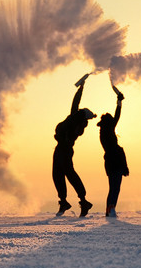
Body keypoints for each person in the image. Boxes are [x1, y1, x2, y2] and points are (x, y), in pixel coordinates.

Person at [53, 73, 96, 216]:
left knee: (69, 174)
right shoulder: (75, 120)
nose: (78, 110)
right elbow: (75, 103)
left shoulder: (75, 123)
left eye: (81, 111)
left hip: (64, 150)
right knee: (58, 174)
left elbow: (75, 105)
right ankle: (65, 201)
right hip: (61, 149)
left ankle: (84, 201)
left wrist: (81, 89)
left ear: (82, 116)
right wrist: (81, 88)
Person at [97, 85, 129, 217]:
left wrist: (119, 101)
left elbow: (116, 117)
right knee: (115, 188)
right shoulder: (108, 131)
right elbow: (117, 117)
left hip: (111, 162)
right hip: (114, 161)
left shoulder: (104, 132)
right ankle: (111, 209)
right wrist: (119, 102)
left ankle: (110, 209)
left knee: (113, 187)